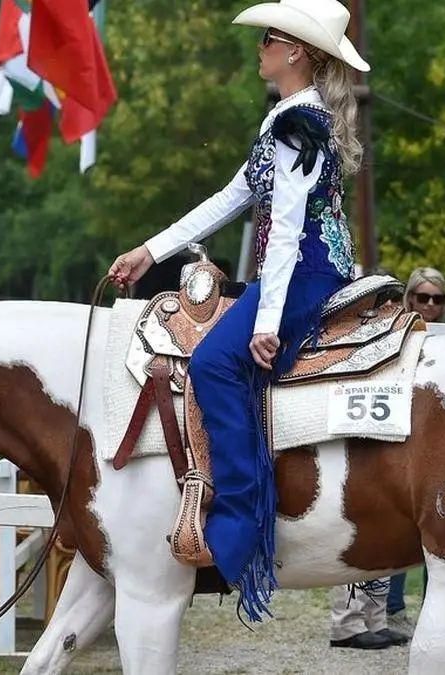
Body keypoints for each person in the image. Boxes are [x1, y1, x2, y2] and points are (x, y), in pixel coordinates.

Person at [107, 0, 370, 621]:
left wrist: (268, 321)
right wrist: (152, 250)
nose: (260, 48)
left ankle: (243, 517)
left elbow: (283, 232)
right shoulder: (287, 117)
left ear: (296, 52)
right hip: (302, 268)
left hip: (302, 273)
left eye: (269, 39)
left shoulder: (296, 122)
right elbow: (232, 198)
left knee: (214, 366)